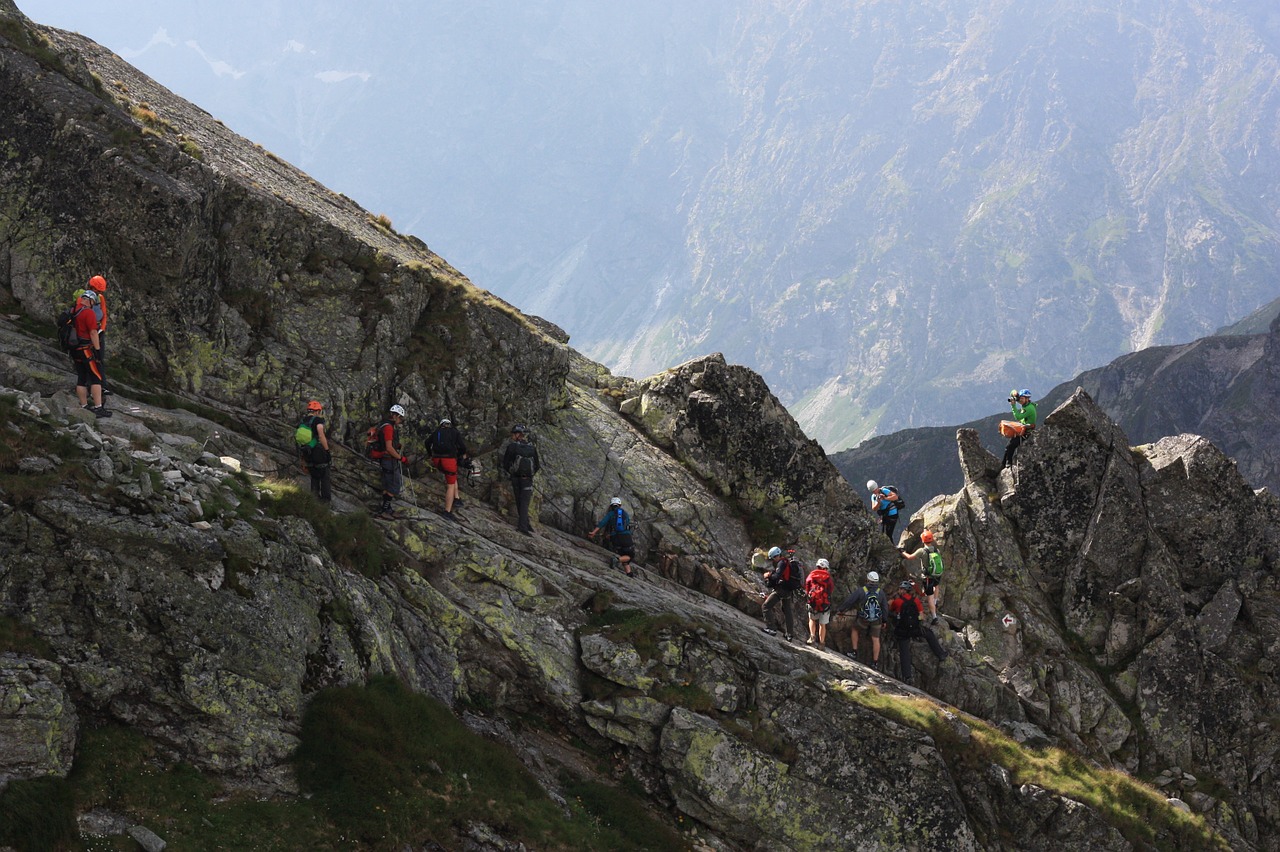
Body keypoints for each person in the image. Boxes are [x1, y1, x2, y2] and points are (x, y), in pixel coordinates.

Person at [69, 290, 111, 418]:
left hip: (74, 349)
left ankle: (84, 405)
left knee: (81, 377)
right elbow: (93, 333)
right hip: (86, 349)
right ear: (91, 301)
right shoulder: (88, 313)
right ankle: (98, 408)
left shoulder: (73, 310)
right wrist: (97, 351)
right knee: (95, 377)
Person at [834, 570, 887, 666]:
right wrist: (884, 621)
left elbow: (850, 601)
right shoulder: (881, 592)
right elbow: (884, 607)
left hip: (863, 619)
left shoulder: (862, 590)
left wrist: (841, 610)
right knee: (876, 639)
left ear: (868, 580)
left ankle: (854, 652)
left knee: (855, 629)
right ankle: (875, 662)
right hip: (877, 620)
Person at [370, 404, 411, 519]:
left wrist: (397, 445)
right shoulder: (388, 428)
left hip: (385, 459)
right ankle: (384, 510)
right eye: (400, 418)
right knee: (394, 485)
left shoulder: (384, 424)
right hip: (389, 460)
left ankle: (387, 509)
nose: (400, 420)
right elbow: (388, 447)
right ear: (396, 415)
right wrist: (401, 458)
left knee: (388, 484)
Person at [426, 417, 469, 522]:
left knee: (452, 476)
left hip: (437, 460)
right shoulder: (454, 432)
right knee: (450, 484)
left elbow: (427, 442)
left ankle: (457, 498)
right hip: (449, 460)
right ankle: (447, 511)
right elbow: (463, 447)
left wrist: (430, 454)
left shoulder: (436, 432)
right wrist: (458, 455)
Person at [501, 424, 540, 535]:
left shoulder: (512, 447)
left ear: (518, 435)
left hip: (515, 478)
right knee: (525, 502)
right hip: (527, 479)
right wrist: (530, 475)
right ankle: (524, 525)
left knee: (519, 501)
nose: (512, 436)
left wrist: (512, 472)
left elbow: (506, 463)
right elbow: (537, 465)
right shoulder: (532, 448)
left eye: (513, 434)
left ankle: (524, 525)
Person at [900, 529, 943, 624]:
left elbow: (909, 557)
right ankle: (936, 602)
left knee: (929, 596)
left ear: (923, 540)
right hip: (937, 574)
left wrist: (902, 552)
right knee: (936, 586)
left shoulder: (922, 551)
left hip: (927, 577)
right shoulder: (937, 550)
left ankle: (934, 616)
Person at [760, 546, 802, 640]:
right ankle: (789, 634)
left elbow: (776, 577)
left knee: (766, 606)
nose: (773, 560)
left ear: (775, 556)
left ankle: (771, 629)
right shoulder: (787, 562)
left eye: (773, 558)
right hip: (788, 590)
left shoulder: (781, 563)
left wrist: (768, 576)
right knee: (787, 612)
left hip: (781, 590)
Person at [588, 496, 636, 576]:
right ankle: (616, 559)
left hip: (614, 538)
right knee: (630, 555)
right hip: (625, 537)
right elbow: (627, 525)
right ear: (620, 505)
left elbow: (602, 523)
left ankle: (629, 573)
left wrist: (593, 532)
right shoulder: (625, 514)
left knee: (624, 555)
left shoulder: (611, 514)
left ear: (611, 506)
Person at [297, 400, 331, 503]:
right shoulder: (318, 420)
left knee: (314, 474)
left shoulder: (303, 421)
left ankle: (314, 500)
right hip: (317, 451)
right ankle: (325, 501)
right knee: (324, 473)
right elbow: (321, 435)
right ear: (317, 411)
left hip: (306, 452)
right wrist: (327, 450)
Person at [86, 275, 110, 395]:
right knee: (90, 359)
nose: (99, 293)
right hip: (88, 333)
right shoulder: (83, 298)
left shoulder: (100, 298)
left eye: (100, 291)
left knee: (99, 358)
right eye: (97, 290)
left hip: (98, 332)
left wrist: (102, 329)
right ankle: (91, 387)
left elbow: (104, 315)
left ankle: (103, 386)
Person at [1002, 388, 1037, 468]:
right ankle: (1003, 464)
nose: (1020, 400)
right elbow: (1012, 392)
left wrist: (1013, 405)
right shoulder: (1026, 404)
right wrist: (1015, 394)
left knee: (1011, 446)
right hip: (1022, 430)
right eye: (1020, 398)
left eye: (1022, 398)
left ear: (1027, 399)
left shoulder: (1029, 408)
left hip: (1026, 432)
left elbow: (1018, 417)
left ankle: (1008, 463)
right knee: (1008, 447)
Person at [804, 557, 835, 646]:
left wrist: (809, 594)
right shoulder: (828, 578)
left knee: (812, 619)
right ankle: (821, 643)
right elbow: (830, 589)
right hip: (824, 603)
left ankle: (812, 636)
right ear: (826, 568)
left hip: (813, 601)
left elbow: (807, 585)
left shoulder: (812, 574)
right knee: (822, 624)